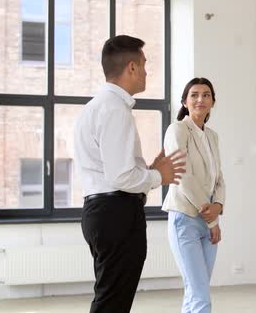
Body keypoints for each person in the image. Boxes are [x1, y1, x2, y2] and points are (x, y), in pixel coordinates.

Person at [74, 35, 186, 313]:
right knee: (113, 302)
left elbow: (114, 171)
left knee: (110, 296)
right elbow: (120, 177)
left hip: (104, 210)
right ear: (132, 67)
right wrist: (160, 177)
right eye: (145, 65)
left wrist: (150, 170)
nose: (147, 72)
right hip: (116, 213)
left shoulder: (96, 106)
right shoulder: (114, 109)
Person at [162, 77, 226, 313]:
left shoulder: (212, 136)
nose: (201, 99)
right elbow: (182, 175)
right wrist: (212, 217)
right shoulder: (177, 129)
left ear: (212, 102)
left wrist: (218, 205)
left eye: (206, 95)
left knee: (196, 291)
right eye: (195, 95)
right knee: (200, 296)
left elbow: (219, 178)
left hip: (209, 222)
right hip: (185, 219)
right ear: (185, 102)